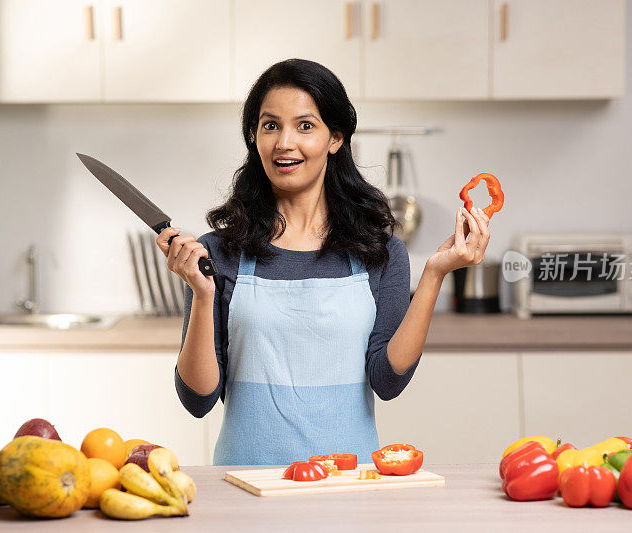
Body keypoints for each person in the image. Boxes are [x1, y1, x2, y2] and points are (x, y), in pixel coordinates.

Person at [157, 58, 490, 465]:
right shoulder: (219, 253)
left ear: (335, 138)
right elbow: (198, 399)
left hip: (347, 484)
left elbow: (387, 381)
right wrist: (203, 295)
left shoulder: (379, 253)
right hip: (247, 485)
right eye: (270, 125)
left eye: (305, 126)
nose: (284, 143)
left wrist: (435, 273)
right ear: (255, 138)